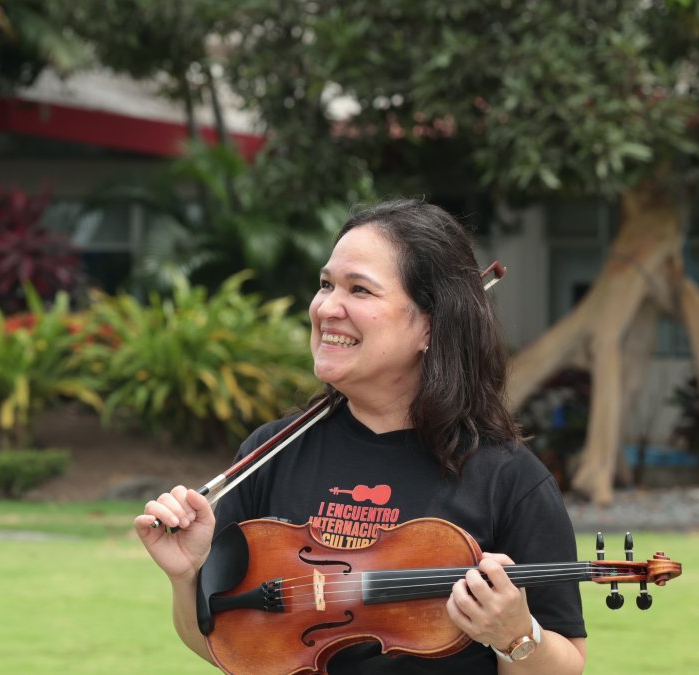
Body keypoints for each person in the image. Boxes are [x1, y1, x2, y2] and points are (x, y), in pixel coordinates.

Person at [135, 198, 587, 674]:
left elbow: (565, 666)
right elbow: (231, 646)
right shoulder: (270, 453)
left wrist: (515, 634)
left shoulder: (509, 479)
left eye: (360, 290)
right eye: (326, 284)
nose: (327, 307)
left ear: (429, 328)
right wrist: (186, 579)